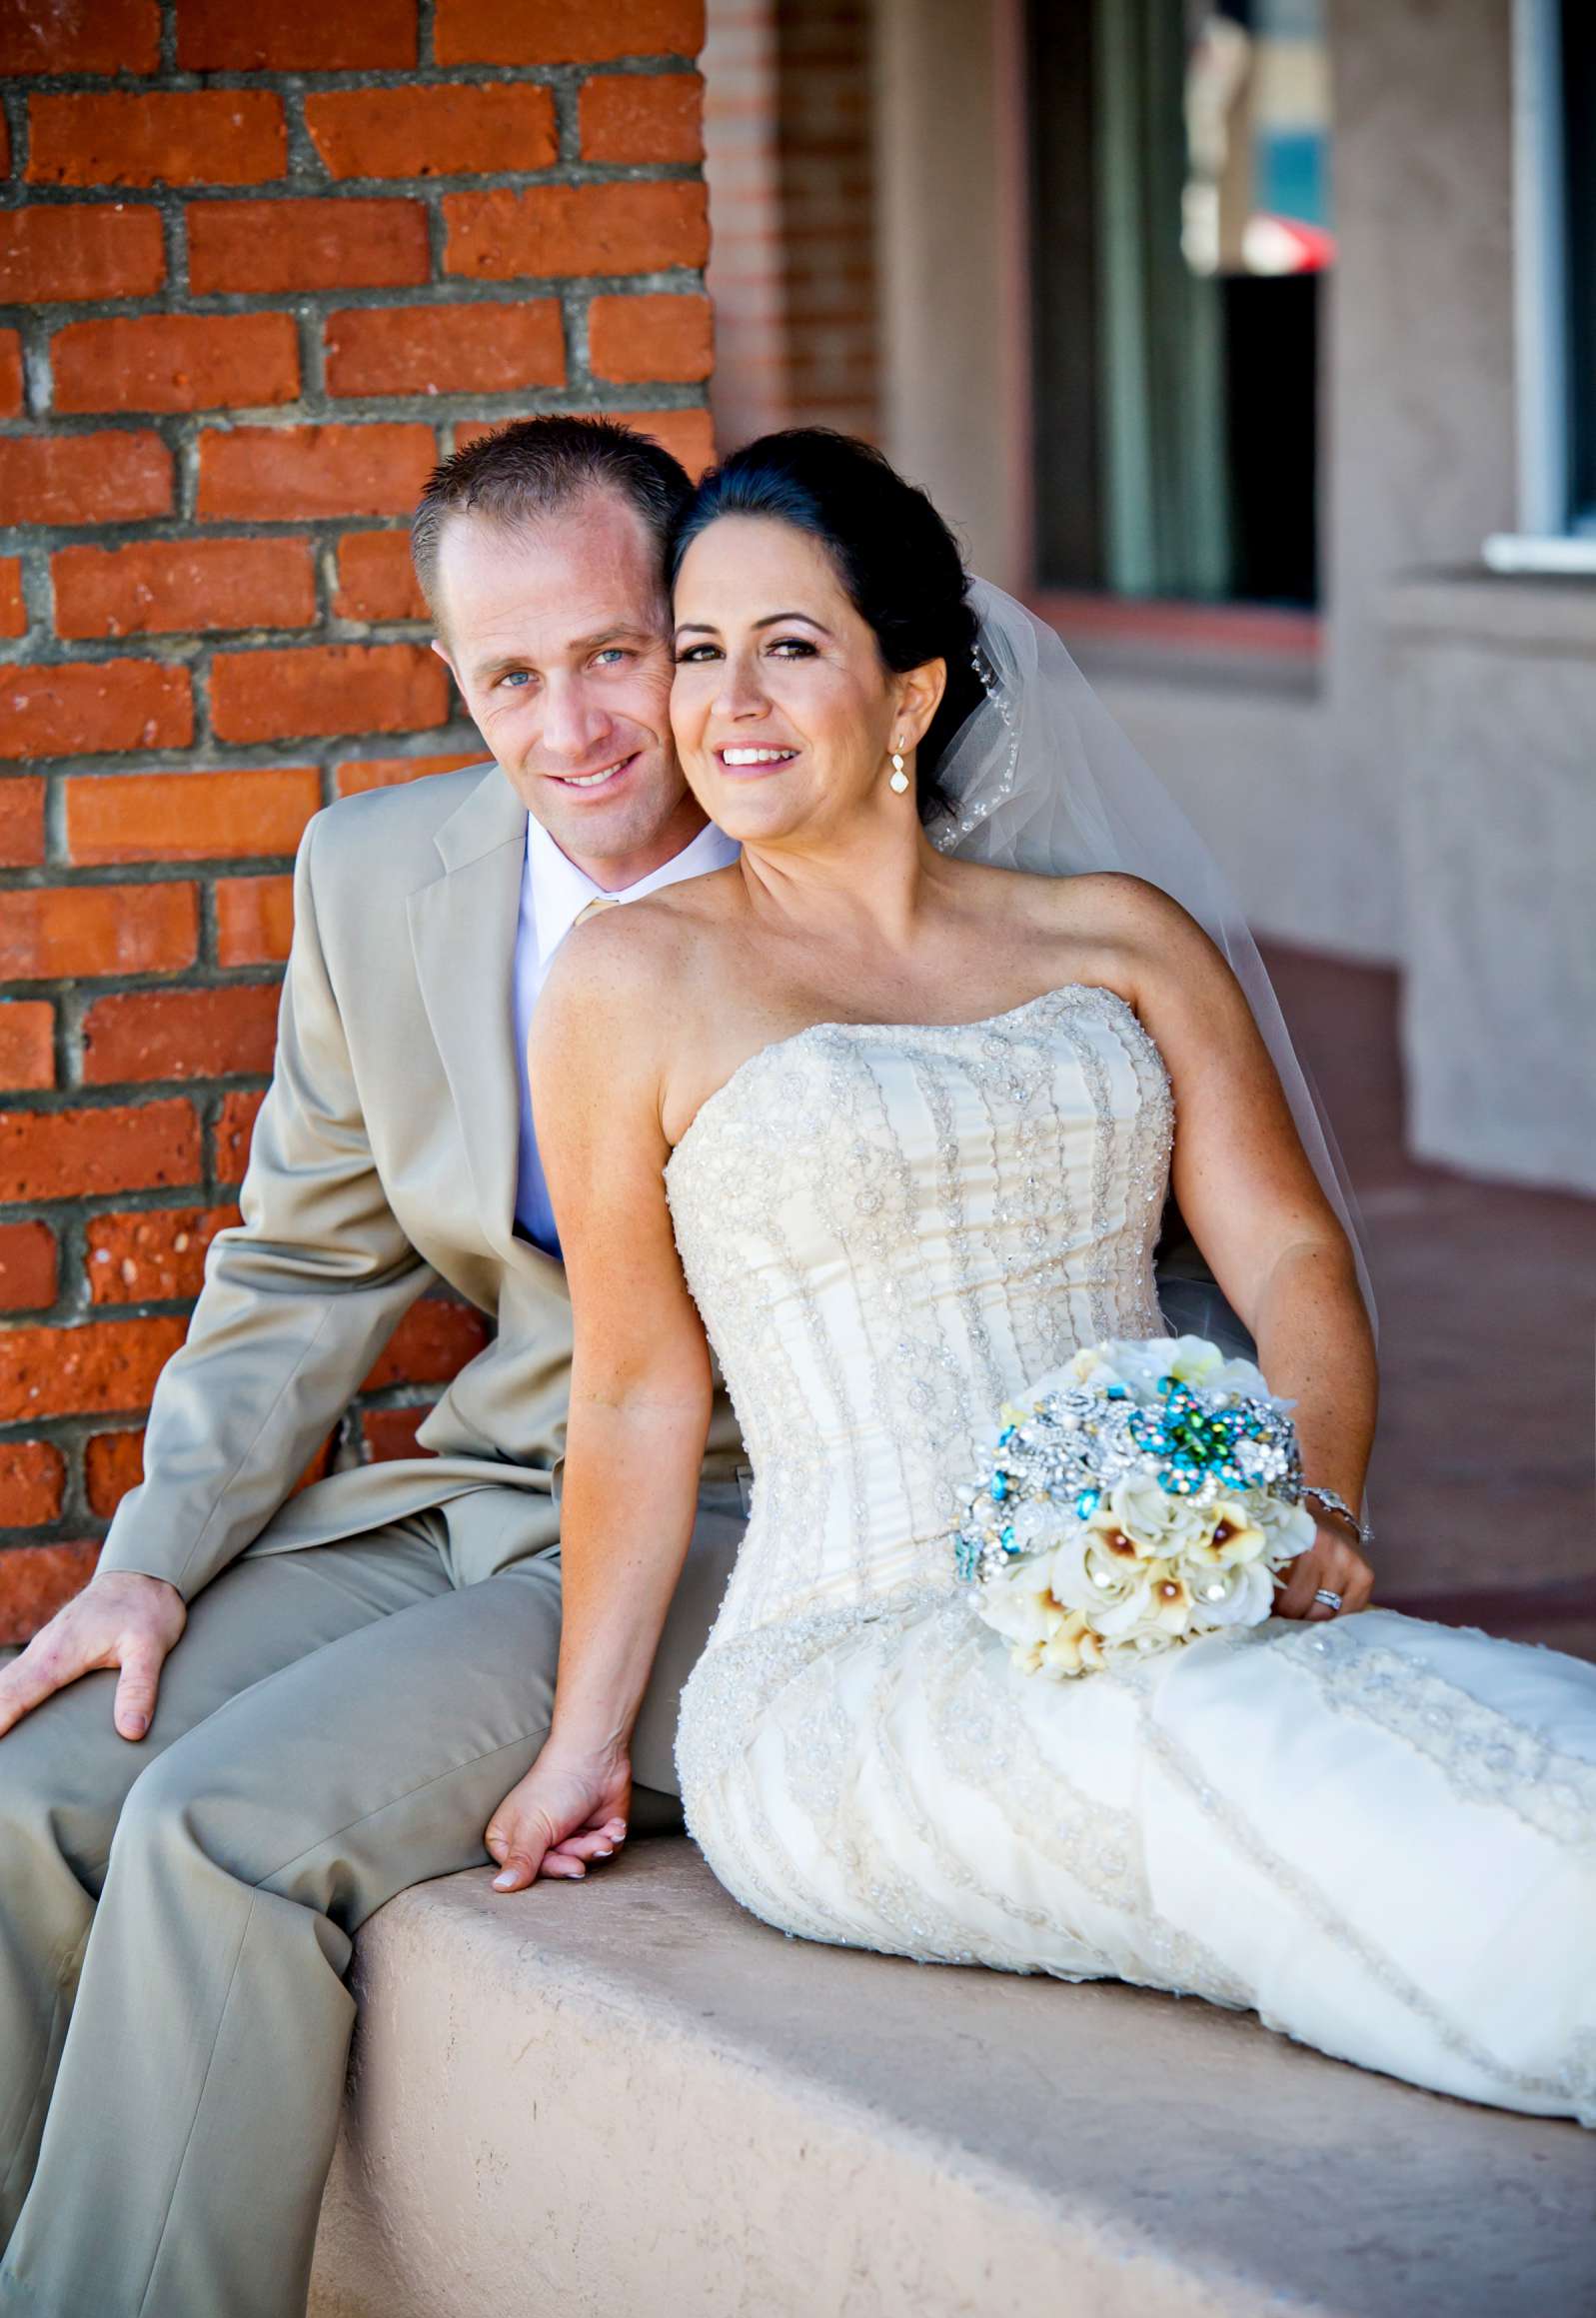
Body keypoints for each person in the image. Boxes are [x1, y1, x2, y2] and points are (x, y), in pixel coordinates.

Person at [518, 429, 1596, 2125]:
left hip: (1174, 1598)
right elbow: (638, 1385)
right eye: (698, 650)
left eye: (788, 646)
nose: (726, 698)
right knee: (1212, 1757)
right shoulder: (630, 981)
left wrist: (1308, 1505)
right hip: (843, 1664)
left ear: (913, 691)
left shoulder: (1115, 938)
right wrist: (586, 1743)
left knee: (1473, 1714)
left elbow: (1290, 1254)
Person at [0, 417, 752, 2318]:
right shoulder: (379, 869)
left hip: (732, 1530)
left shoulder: (837, 872)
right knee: (29, 1801)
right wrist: (151, 1562)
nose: (572, 726)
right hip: (475, 1488)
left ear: (696, 633)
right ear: (451, 678)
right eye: (508, 675)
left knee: (219, 1837)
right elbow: (307, 1263)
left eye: (614, 653)